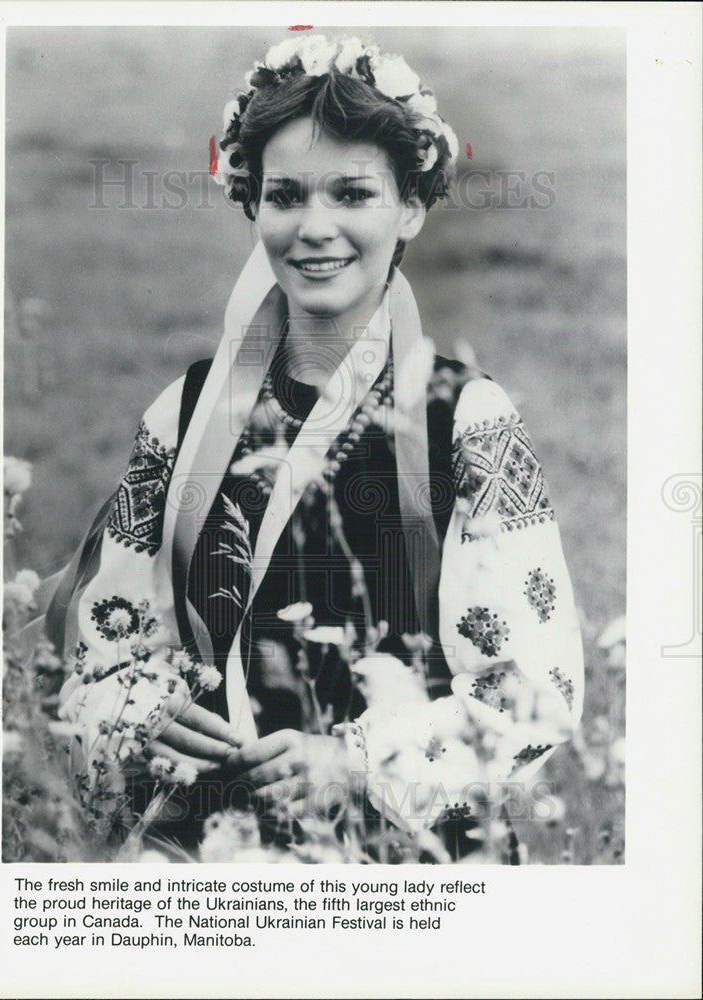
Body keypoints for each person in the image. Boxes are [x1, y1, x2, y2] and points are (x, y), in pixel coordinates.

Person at [48, 34, 584, 858]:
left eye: (353, 193)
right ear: (251, 204)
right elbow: (103, 644)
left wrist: (353, 761)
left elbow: (537, 693)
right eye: (286, 195)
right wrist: (137, 717)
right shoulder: (185, 411)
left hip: (407, 856)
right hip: (205, 851)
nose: (315, 227)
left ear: (410, 206)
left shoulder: (466, 418)